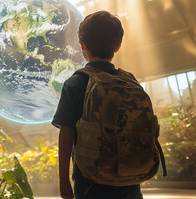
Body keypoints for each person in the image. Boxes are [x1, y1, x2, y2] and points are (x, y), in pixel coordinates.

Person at [52, 11, 143, 199]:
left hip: (91, 185)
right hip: (130, 183)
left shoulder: (75, 83)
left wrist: (63, 182)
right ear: (117, 46)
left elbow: (66, 135)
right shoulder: (129, 80)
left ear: (83, 45)